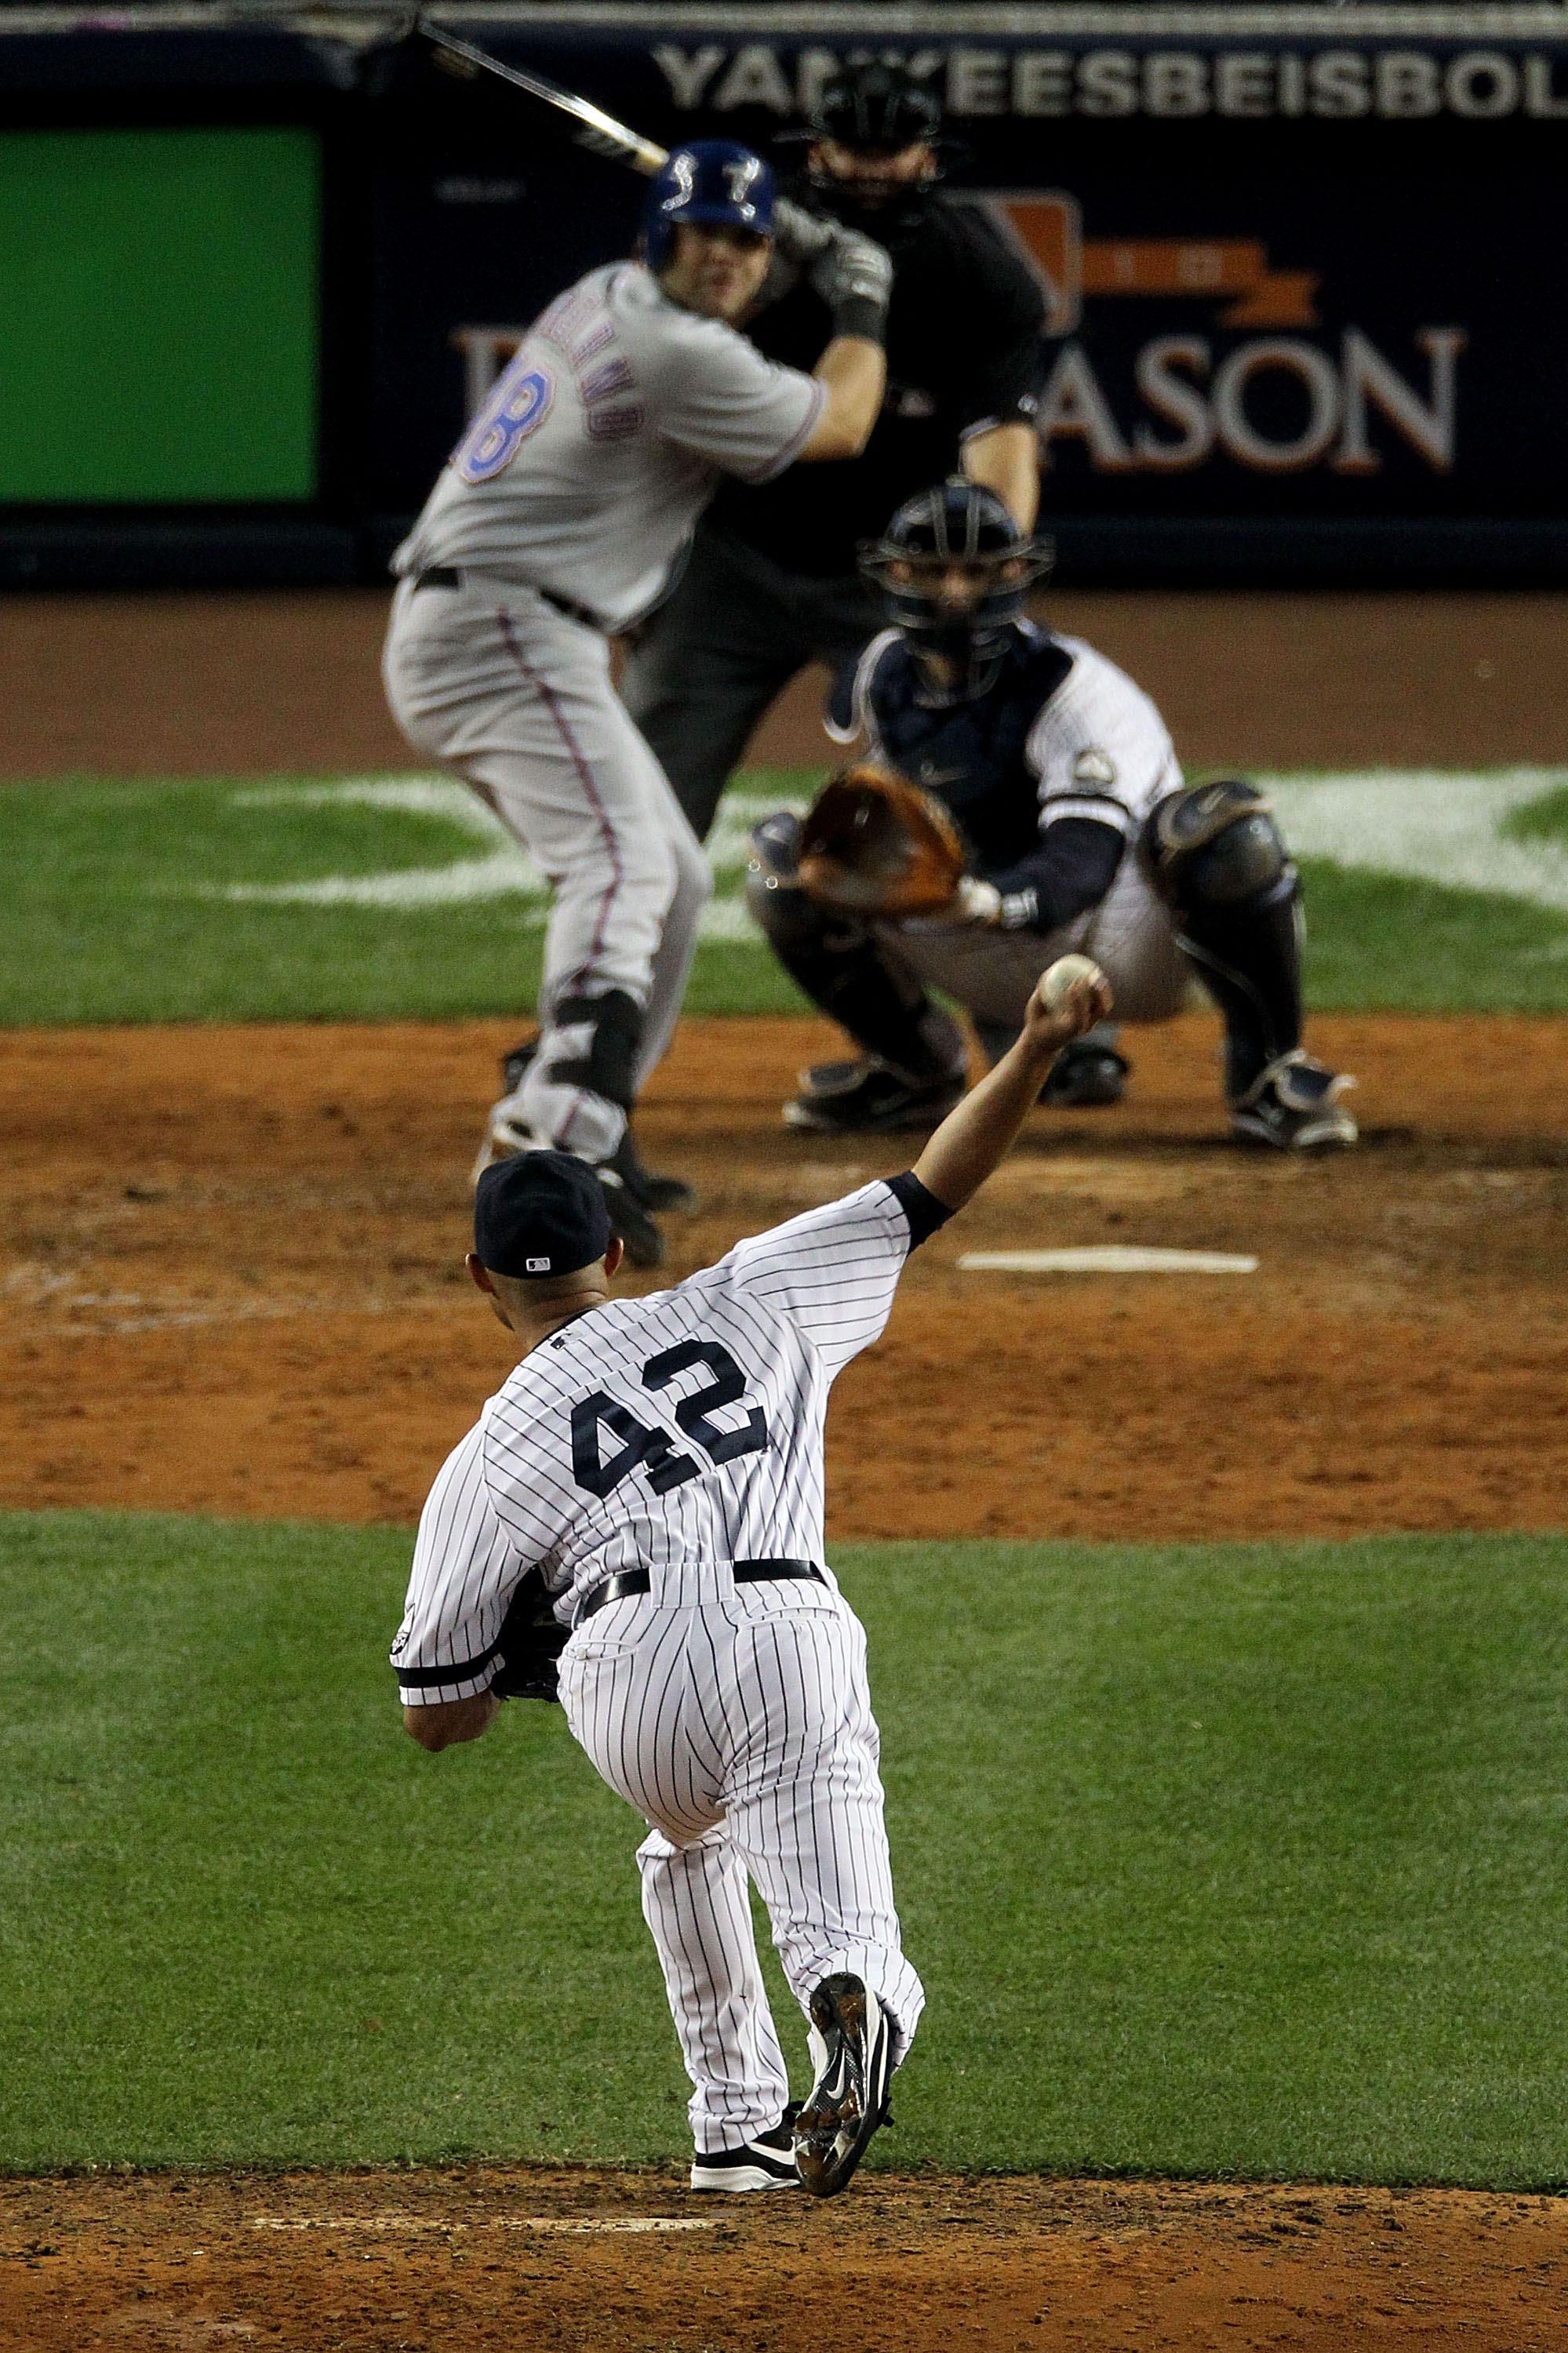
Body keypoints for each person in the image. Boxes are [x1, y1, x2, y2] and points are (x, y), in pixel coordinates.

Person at [391, 961, 1113, 2196]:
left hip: (623, 1679)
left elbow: (432, 1715)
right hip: (786, 1632)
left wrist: (522, 1667)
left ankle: (735, 2131)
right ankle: (854, 2003)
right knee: (837, 1913)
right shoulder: (754, 1291)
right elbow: (933, 1182)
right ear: (616, 1249)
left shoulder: (491, 1446)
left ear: (479, 1280)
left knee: (687, 1841)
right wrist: (1036, 1042)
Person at [381, 138, 892, 1265]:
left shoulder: (603, 296)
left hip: (499, 623)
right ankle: (549, 1136)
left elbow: (734, 352)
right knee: (620, 866)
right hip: (500, 628)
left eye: (746, 239)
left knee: (668, 872)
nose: (726, 257)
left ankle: (594, 1134)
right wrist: (857, 294)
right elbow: (842, 423)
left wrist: (786, 263)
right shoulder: (670, 350)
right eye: (706, 233)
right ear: (659, 237)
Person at [745, 479, 1359, 1151]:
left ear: (1014, 572)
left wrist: (981, 900)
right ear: (893, 573)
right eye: (932, 571)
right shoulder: (880, 672)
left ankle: (1266, 1075)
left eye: (975, 571)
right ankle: (912, 1071)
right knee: (784, 865)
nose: (954, 592)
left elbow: (1083, 861)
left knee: (1222, 834)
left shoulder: (1075, 690)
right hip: (964, 937)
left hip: (1110, 947)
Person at [619, 63, 1046, 846]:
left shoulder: (983, 278)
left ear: (927, 156)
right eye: (853, 149)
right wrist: (631, 557)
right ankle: (616, 968)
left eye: (890, 152)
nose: (871, 169)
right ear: (817, 152)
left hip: (886, 579)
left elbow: (1002, 444)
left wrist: (986, 572)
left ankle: (988, 948)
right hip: (728, 560)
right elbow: (655, 384)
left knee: (965, 812)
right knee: (642, 818)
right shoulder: (745, 247)